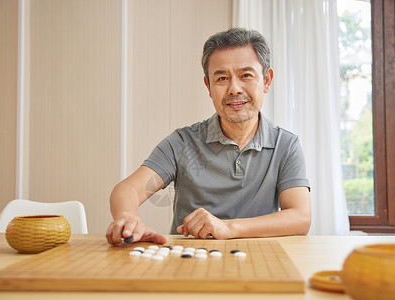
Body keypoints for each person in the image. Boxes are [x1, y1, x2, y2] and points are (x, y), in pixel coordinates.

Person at [106, 28, 311, 246]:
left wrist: (228, 228)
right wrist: (129, 218)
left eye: (246, 75)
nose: (234, 89)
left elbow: (300, 218)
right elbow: (128, 190)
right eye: (222, 78)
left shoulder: (286, 145)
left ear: (266, 80)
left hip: (260, 260)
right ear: (209, 86)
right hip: (190, 262)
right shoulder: (182, 142)